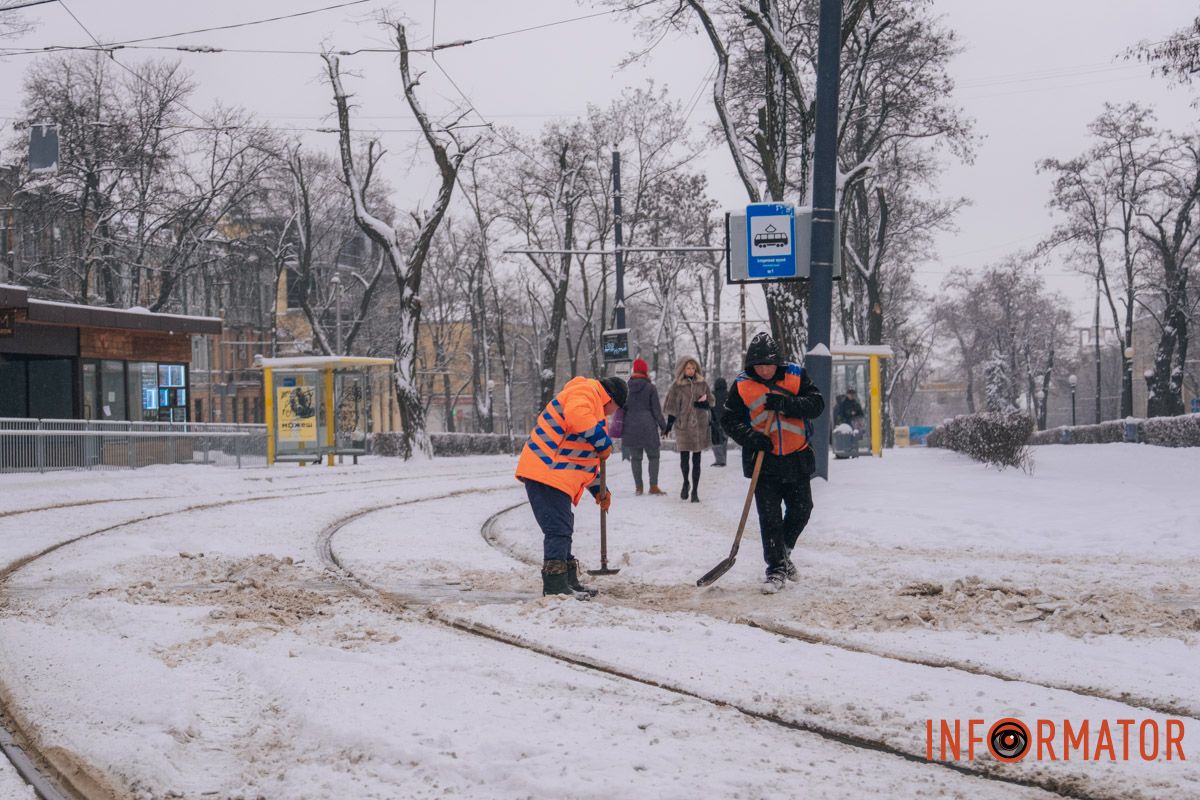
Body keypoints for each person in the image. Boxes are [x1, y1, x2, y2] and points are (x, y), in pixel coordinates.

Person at [721, 332, 824, 594]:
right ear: (750, 365)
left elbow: (816, 404)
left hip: (796, 456)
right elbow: (729, 420)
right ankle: (776, 569)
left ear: (777, 362)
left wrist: (789, 404)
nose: (764, 370)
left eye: (768, 364)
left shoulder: (796, 375)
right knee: (770, 518)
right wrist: (751, 437)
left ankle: (784, 551)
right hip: (763, 461)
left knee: (802, 509)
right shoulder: (742, 384)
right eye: (759, 365)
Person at [515, 375, 628, 597]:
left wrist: (599, 489)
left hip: (554, 473)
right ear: (612, 398)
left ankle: (568, 580)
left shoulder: (593, 407)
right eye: (617, 408)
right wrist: (602, 441)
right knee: (558, 528)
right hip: (545, 470)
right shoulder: (585, 392)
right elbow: (577, 416)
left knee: (563, 525)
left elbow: (582, 459)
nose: (613, 413)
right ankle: (556, 586)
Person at [662, 356, 714, 502]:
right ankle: (686, 482)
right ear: (683, 369)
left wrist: (704, 404)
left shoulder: (702, 383)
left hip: (699, 426)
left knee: (697, 460)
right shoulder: (677, 386)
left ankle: (695, 492)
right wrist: (668, 427)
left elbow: (711, 400)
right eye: (688, 368)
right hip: (683, 426)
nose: (691, 371)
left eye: (693, 368)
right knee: (684, 459)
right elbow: (672, 407)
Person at [621, 358, 669, 496]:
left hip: (631, 427)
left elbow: (622, 408)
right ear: (645, 371)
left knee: (635, 458)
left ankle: (638, 487)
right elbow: (656, 410)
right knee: (654, 456)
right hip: (648, 426)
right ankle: (653, 486)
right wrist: (664, 427)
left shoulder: (626, 387)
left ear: (634, 370)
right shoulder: (650, 388)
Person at [709, 376, 729, 467]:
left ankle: (720, 460)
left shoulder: (713, 394)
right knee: (724, 440)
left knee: (716, 440)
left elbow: (709, 407)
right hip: (726, 420)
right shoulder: (728, 394)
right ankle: (723, 459)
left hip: (715, 420)